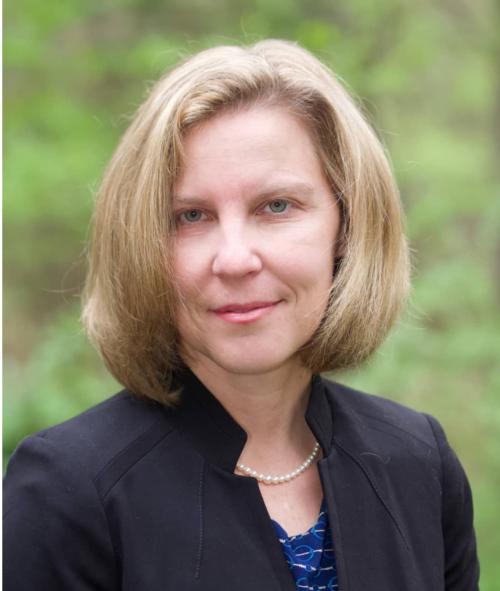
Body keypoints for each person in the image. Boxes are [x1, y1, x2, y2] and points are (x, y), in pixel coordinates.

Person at [3, 40, 479, 591]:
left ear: (345, 225)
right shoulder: (68, 490)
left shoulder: (418, 461)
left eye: (276, 206)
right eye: (190, 216)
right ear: (141, 245)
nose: (233, 259)